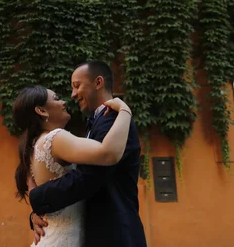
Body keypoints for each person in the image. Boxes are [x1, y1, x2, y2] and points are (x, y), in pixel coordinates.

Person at [28, 61, 147, 247]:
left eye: (77, 86)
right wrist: (38, 214)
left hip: (115, 234)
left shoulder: (113, 120)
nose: (73, 95)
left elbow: (88, 178)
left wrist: (38, 199)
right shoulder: (96, 122)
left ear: (98, 82)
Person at [13, 83, 133, 247]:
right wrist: (125, 111)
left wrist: (35, 213)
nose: (64, 102)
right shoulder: (55, 138)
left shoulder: (33, 145)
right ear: (41, 110)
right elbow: (108, 153)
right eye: (56, 99)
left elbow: (36, 192)